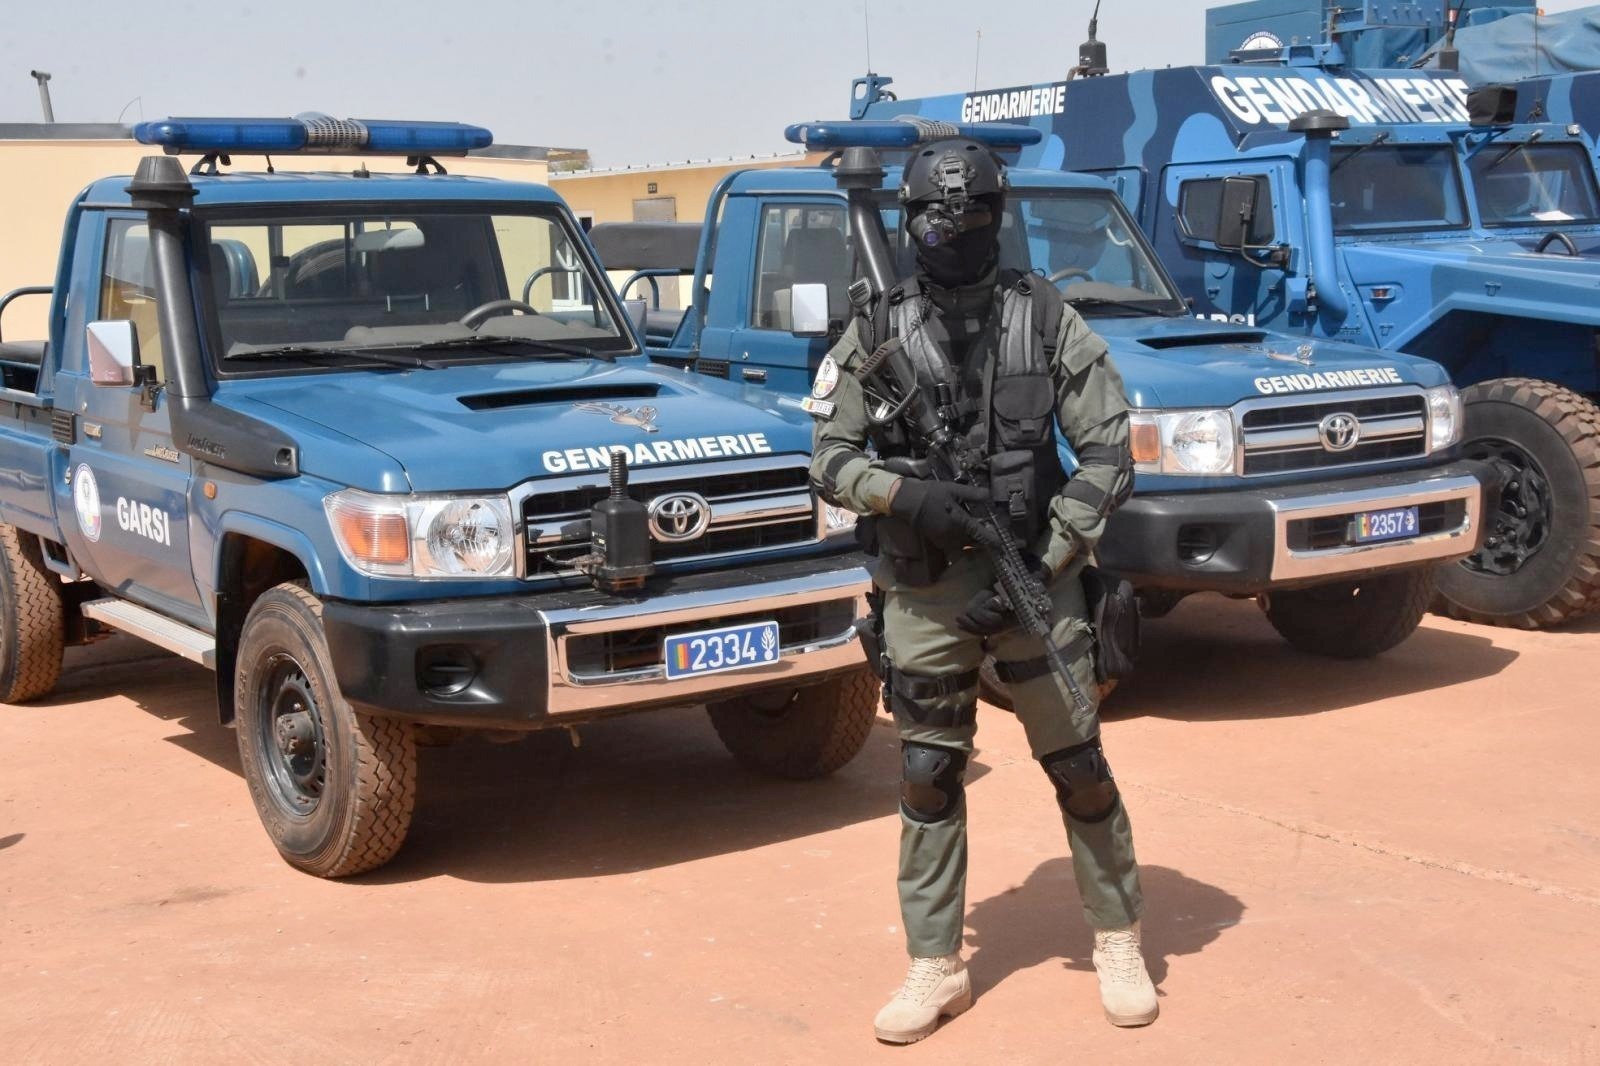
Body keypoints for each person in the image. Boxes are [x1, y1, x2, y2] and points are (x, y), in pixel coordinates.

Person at [808, 137, 1158, 1044]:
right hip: (926, 590)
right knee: (928, 775)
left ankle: (1117, 937)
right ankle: (936, 962)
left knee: (1079, 767)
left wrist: (1044, 564)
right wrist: (906, 496)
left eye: (969, 218)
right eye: (935, 218)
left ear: (997, 220)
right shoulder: (876, 330)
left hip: (1037, 575)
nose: (951, 233)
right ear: (908, 223)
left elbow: (1111, 454)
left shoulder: (1045, 319)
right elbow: (830, 458)